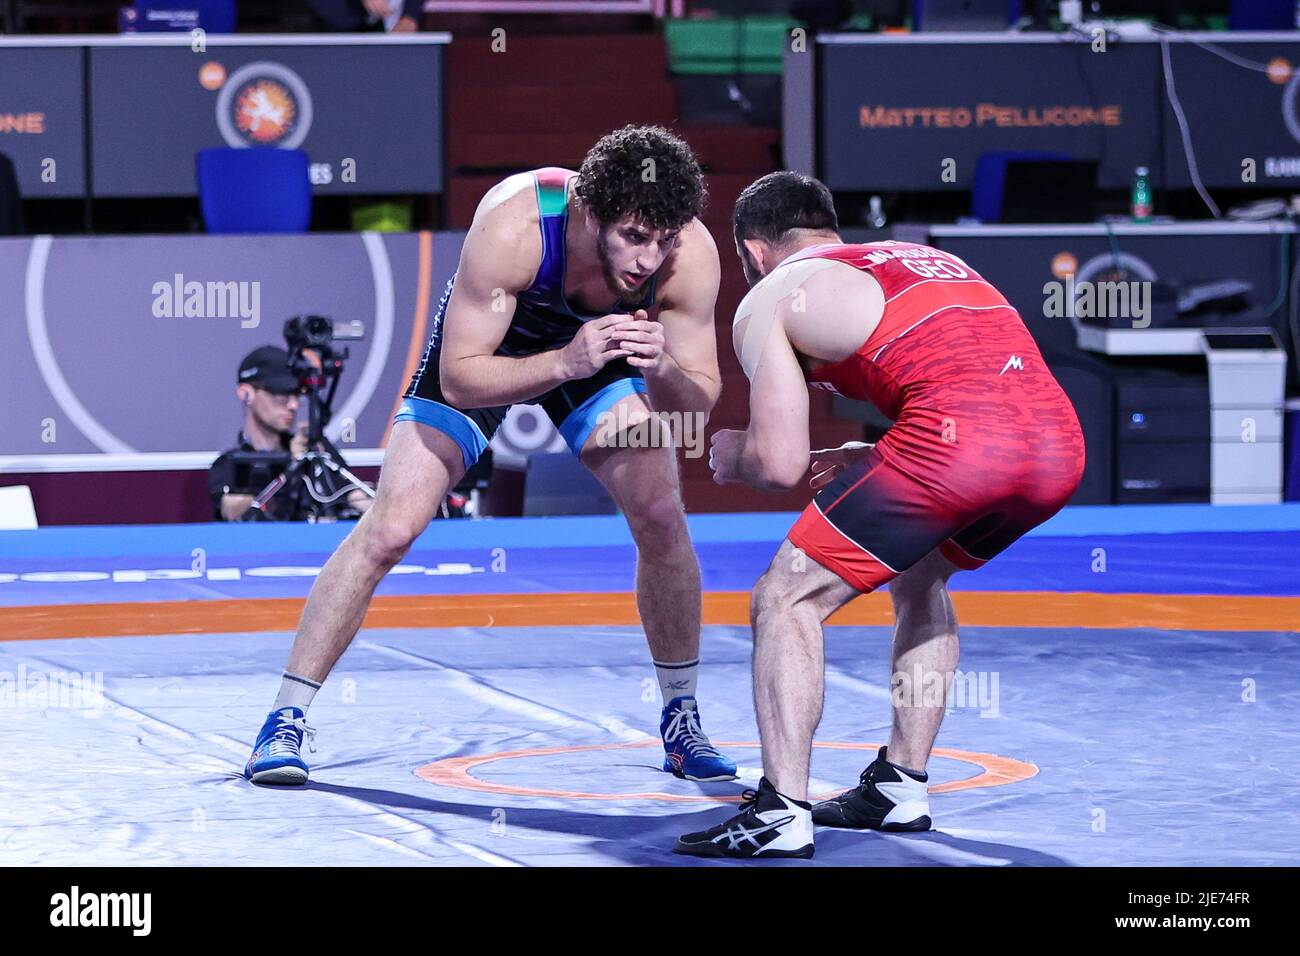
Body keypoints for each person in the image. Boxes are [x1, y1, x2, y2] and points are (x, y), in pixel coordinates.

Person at [244, 126, 736, 786]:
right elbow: (460, 380)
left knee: (660, 510)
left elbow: (695, 405)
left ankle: (681, 719)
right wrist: (567, 358)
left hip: (604, 355)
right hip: (494, 350)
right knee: (390, 529)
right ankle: (285, 718)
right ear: (590, 211)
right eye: (634, 236)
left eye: (662, 239)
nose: (649, 259)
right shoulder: (516, 227)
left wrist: (663, 366)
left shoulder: (689, 255)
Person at [675, 171, 1085, 859]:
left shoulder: (774, 294)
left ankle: (779, 812)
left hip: (961, 446)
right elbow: (970, 377)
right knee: (922, 576)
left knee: (786, 598)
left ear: (754, 252)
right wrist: (871, 450)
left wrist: (739, 453)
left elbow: (779, 467)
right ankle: (900, 786)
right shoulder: (928, 259)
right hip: (1056, 449)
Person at [209, 345, 373, 522]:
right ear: (246, 394)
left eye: (296, 395)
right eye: (281, 395)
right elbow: (234, 512)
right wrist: (292, 467)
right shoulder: (229, 464)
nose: (293, 405)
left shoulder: (313, 448)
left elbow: (358, 497)